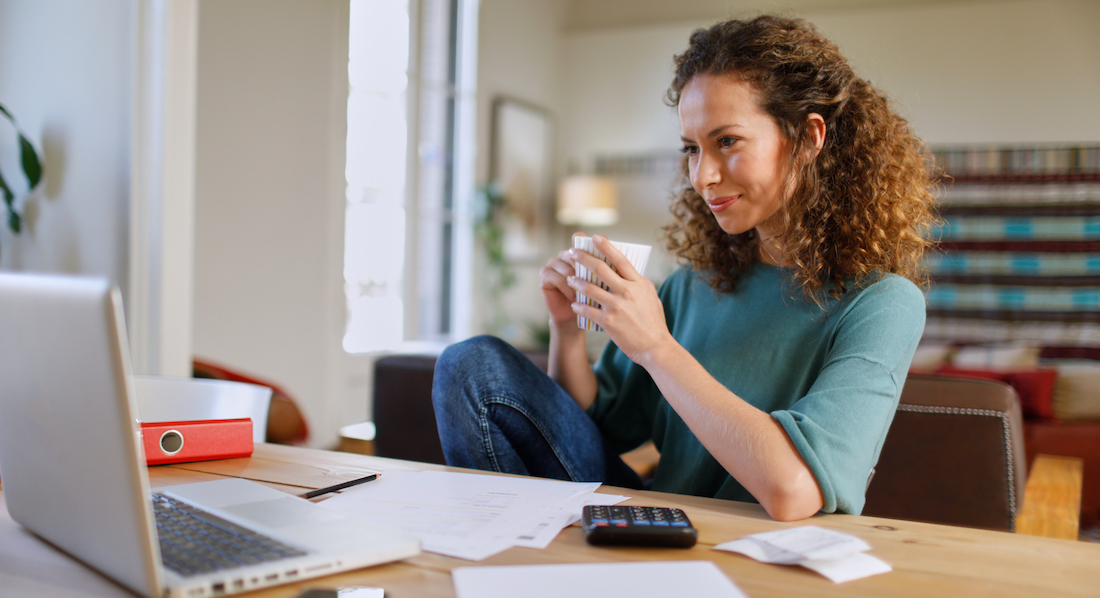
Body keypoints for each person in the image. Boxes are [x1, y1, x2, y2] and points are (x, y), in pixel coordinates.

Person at [432, 15, 937, 521]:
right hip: (662, 525)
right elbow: (595, 426)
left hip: (766, 550)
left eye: (728, 142)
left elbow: (793, 490)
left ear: (808, 138)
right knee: (472, 366)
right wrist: (566, 330)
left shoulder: (883, 303)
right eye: (692, 149)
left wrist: (656, 347)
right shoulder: (690, 287)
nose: (703, 176)